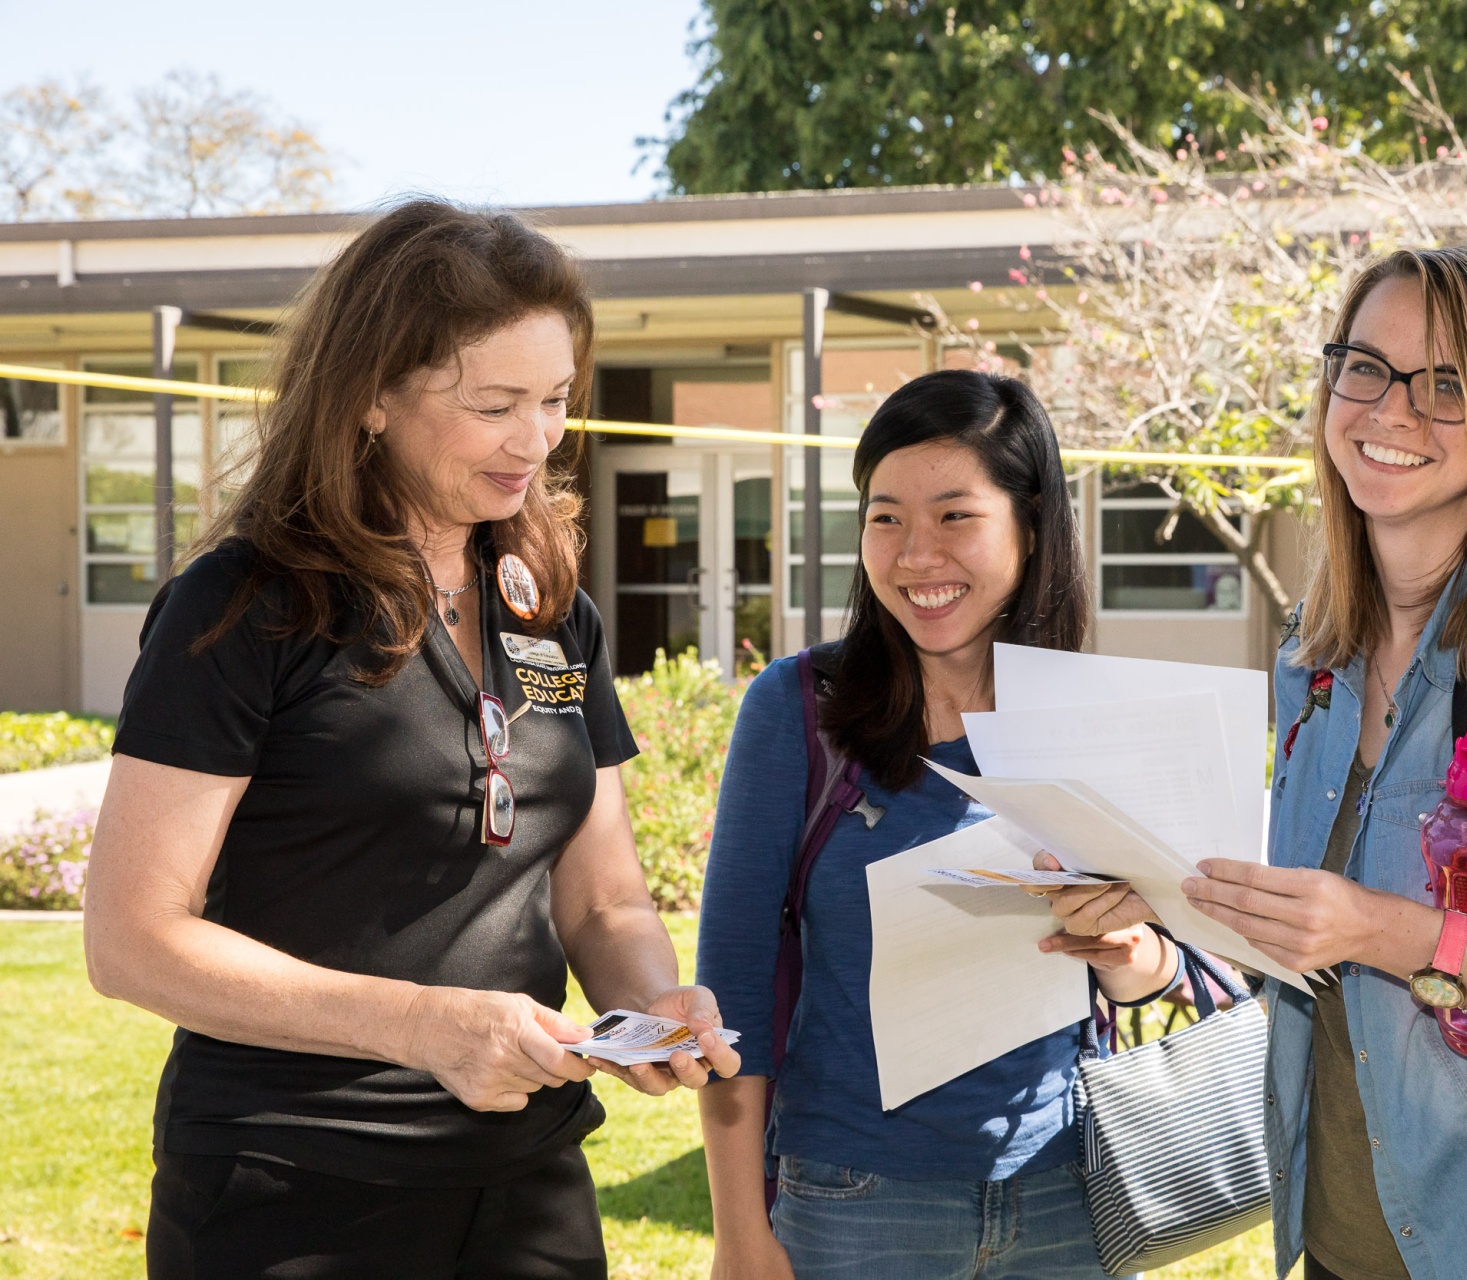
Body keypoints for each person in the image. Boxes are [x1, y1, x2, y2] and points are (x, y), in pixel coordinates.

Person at [83, 199, 740, 1280]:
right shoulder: (245, 603)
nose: (537, 439)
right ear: (374, 397)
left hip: (527, 1184)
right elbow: (132, 938)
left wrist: (646, 1002)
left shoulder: (550, 605)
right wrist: (425, 1025)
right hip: (288, 1191)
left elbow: (603, 895)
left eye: (556, 400)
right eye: (494, 404)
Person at [1051, 247, 1467, 1280]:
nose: (1390, 408)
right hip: (1347, 1237)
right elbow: (1311, 954)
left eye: (1448, 383)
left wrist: (1384, 929)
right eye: (1363, 365)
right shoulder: (1312, 661)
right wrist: (1152, 932)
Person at [696, 370, 1179, 1280]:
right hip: (854, 1206)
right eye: (886, 517)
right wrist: (738, 1234)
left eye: (956, 516)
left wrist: (1125, 949)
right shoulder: (798, 709)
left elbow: (1161, 969)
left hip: (1067, 1198)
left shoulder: (1088, 715)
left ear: (1030, 527)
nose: (916, 554)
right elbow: (734, 986)